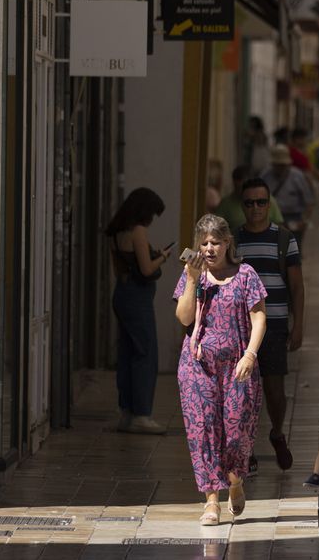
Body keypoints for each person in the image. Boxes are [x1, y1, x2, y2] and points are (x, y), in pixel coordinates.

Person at [174, 214, 266, 525]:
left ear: (228, 243)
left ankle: (235, 480)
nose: (210, 248)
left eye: (216, 242)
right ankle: (211, 500)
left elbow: (259, 317)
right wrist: (190, 280)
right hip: (198, 366)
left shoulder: (246, 275)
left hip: (238, 365)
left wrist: (250, 355)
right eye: (204, 243)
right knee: (203, 431)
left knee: (236, 432)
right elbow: (184, 318)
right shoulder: (195, 276)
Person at [236, 177, 304, 471]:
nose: (256, 208)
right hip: (239, 329)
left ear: (269, 204)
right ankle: (246, 448)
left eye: (261, 202)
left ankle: (277, 432)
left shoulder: (283, 238)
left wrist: (298, 324)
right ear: (243, 206)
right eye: (250, 203)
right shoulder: (233, 240)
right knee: (242, 393)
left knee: (274, 389)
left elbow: (297, 286)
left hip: (275, 325)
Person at [104, 187, 172, 434]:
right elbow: (146, 269)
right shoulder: (138, 232)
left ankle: (126, 411)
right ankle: (142, 414)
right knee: (145, 353)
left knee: (126, 353)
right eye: (152, 214)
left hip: (121, 294)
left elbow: (118, 270)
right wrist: (163, 256)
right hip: (138, 297)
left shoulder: (116, 232)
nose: (151, 220)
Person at [263, 145, 317, 236]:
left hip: (294, 218)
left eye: (283, 165)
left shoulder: (297, 176)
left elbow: (309, 202)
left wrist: (304, 220)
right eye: (278, 164)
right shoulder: (265, 176)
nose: (280, 168)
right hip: (272, 217)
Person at [218, 164, 285, 229]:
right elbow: (218, 228)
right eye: (248, 203)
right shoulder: (226, 203)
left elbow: (279, 225)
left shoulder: (267, 199)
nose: (255, 207)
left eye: (260, 203)